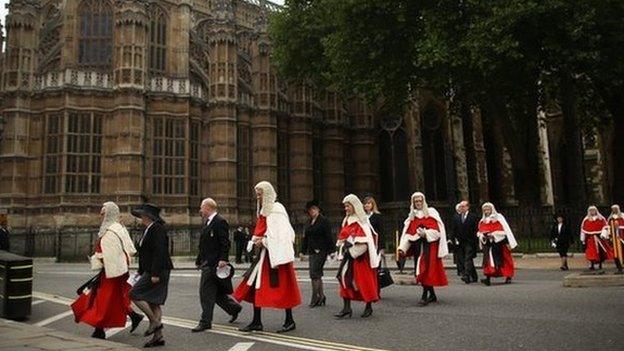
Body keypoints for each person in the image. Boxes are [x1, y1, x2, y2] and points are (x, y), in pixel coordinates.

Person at [233, 181, 302, 333]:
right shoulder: (265, 210)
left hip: (276, 256)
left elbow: (282, 235)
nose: (258, 198)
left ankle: (289, 320)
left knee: (283, 288)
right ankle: (257, 321)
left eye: (260, 194)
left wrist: (262, 240)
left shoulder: (277, 209)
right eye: (257, 194)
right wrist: (256, 240)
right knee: (254, 287)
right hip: (265, 256)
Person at [71, 202, 142, 339]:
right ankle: (134, 316)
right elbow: (129, 248)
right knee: (116, 297)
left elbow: (117, 250)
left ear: (110, 213)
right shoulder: (117, 228)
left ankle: (99, 329)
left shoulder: (112, 230)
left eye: (103, 211)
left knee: (103, 299)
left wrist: (101, 258)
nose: (101, 213)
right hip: (116, 270)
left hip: (113, 271)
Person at [192, 198, 242, 332]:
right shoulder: (208, 222)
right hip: (208, 262)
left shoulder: (220, 221)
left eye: (201, 208)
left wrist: (223, 259)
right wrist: (198, 260)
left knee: (205, 293)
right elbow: (204, 245)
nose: (200, 211)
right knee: (217, 294)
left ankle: (205, 322)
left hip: (214, 264)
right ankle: (234, 308)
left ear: (208, 208)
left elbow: (225, 242)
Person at [130, 204, 174, 348]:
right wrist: (140, 270)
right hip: (150, 270)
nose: (140, 217)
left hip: (158, 270)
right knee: (154, 302)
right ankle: (158, 337)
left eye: (142, 215)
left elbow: (159, 252)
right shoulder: (149, 229)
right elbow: (146, 253)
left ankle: (155, 322)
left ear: (148, 216)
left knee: (135, 294)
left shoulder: (157, 229)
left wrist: (154, 273)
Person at [398, 192, 448, 306]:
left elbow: (437, 232)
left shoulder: (431, 213)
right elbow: (408, 234)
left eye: (420, 201)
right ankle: (432, 294)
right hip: (417, 248)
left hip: (429, 247)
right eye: (416, 201)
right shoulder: (412, 216)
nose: (418, 203)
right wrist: (402, 248)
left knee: (425, 270)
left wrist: (426, 234)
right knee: (420, 270)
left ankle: (425, 295)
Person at [335, 194, 379, 318]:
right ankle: (346, 308)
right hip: (349, 257)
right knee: (344, 279)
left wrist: (352, 251)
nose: (346, 208)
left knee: (364, 282)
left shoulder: (362, 221)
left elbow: (365, 242)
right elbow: (344, 238)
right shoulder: (347, 220)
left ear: (354, 206)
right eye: (345, 206)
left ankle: (368, 306)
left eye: (348, 206)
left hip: (360, 259)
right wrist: (343, 249)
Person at [301, 200, 334, 308]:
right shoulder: (308, 222)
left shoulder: (324, 221)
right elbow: (305, 238)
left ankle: (315, 297)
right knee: (315, 274)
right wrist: (302, 251)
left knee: (315, 273)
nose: (312, 211)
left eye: (314, 209)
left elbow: (329, 237)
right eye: (310, 210)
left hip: (321, 250)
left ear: (318, 209)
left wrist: (331, 251)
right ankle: (321, 296)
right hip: (311, 250)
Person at [478, 202, 517, 286]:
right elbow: (480, 231)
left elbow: (503, 231)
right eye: (485, 210)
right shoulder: (482, 220)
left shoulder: (499, 218)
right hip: (488, 244)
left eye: (488, 209)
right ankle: (487, 277)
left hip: (500, 244)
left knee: (504, 260)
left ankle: (508, 276)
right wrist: (482, 235)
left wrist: (494, 235)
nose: (486, 211)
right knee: (488, 261)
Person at [451, 200, 480, 284]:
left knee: (468, 258)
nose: (461, 208)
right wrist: (453, 239)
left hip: (470, 242)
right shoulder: (456, 217)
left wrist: (476, 241)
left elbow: (476, 229)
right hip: (460, 242)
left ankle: (466, 275)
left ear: (467, 207)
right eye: (460, 206)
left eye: (463, 206)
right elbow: (454, 229)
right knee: (465, 259)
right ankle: (474, 276)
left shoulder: (473, 217)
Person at [580, 205, 613, 271]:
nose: (592, 212)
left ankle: (600, 264)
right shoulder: (586, 219)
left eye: (593, 210)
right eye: (591, 210)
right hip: (590, 239)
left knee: (600, 251)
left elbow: (605, 227)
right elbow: (583, 230)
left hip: (599, 238)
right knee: (591, 252)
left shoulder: (601, 218)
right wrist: (583, 239)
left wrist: (604, 235)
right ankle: (592, 265)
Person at [601, 205, 623, 273]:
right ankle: (619, 268)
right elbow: (607, 227)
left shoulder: (622, 216)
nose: (614, 210)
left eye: (615, 209)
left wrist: (618, 227)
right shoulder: (610, 218)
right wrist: (604, 235)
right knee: (615, 254)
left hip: (622, 238)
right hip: (613, 239)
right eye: (613, 209)